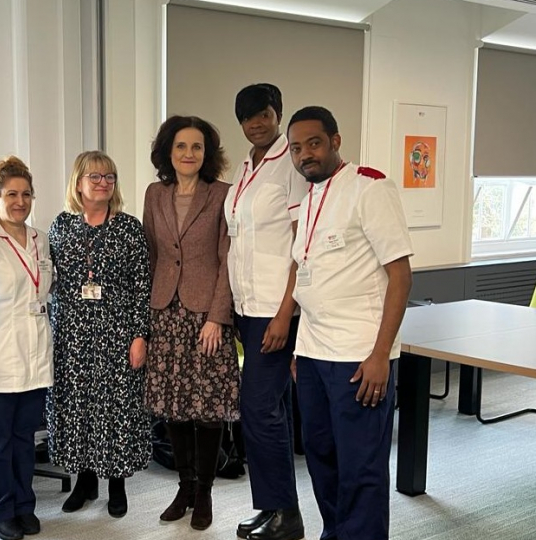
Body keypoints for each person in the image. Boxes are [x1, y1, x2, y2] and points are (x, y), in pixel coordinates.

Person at [287, 106, 413, 540]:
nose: (306, 154)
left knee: (361, 466)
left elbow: (400, 274)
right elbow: (308, 280)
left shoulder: (370, 189)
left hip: (359, 357)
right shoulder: (306, 203)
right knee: (322, 457)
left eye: (314, 143)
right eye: (297, 148)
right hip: (315, 355)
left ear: (336, 141)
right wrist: (301, 351)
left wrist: (381, 355)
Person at [143, 115, 240, 531]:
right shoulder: (154, 194)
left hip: (205, 317)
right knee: (173, 408)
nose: (188, 154)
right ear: (168, 151)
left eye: (196, 147)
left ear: (207, 153)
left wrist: (218, 316)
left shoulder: (222, 194)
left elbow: (228, 259)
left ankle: (204, 493)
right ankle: (183, 487)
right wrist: (144, 318)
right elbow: (150, 253)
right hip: (164, 312)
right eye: (181, 146)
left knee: (206, 409)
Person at [46, 150, 151, 520]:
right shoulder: (61, 226)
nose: (103, 182)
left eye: (109, 176)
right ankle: (85, 481)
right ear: (78, 183)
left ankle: (117, 485)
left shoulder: (128, 227)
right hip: (72, 334)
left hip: (117, 331)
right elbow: (48, 279)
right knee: (79, 407)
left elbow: (142, 285)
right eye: (95, 176)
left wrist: (140, 336)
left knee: (117, 407)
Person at [225, 84, 308, 540]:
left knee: (257, 408)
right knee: (272, 408)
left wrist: (284, 311)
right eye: (248, 117)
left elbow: (301, 244)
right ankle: (273, 505)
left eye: (264, 114)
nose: (257, 123)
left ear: (277, 114)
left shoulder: (289, 165)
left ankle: (287, 516)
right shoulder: (245, 168)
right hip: (248, 306)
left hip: (278, 309)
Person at [0, 156, 54, 540]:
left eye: (26, 194)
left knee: (25, 438)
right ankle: (1, 509)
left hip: (35, 347)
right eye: (11, 194)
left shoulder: (41, 239)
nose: (20, 201)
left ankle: (24, 505)